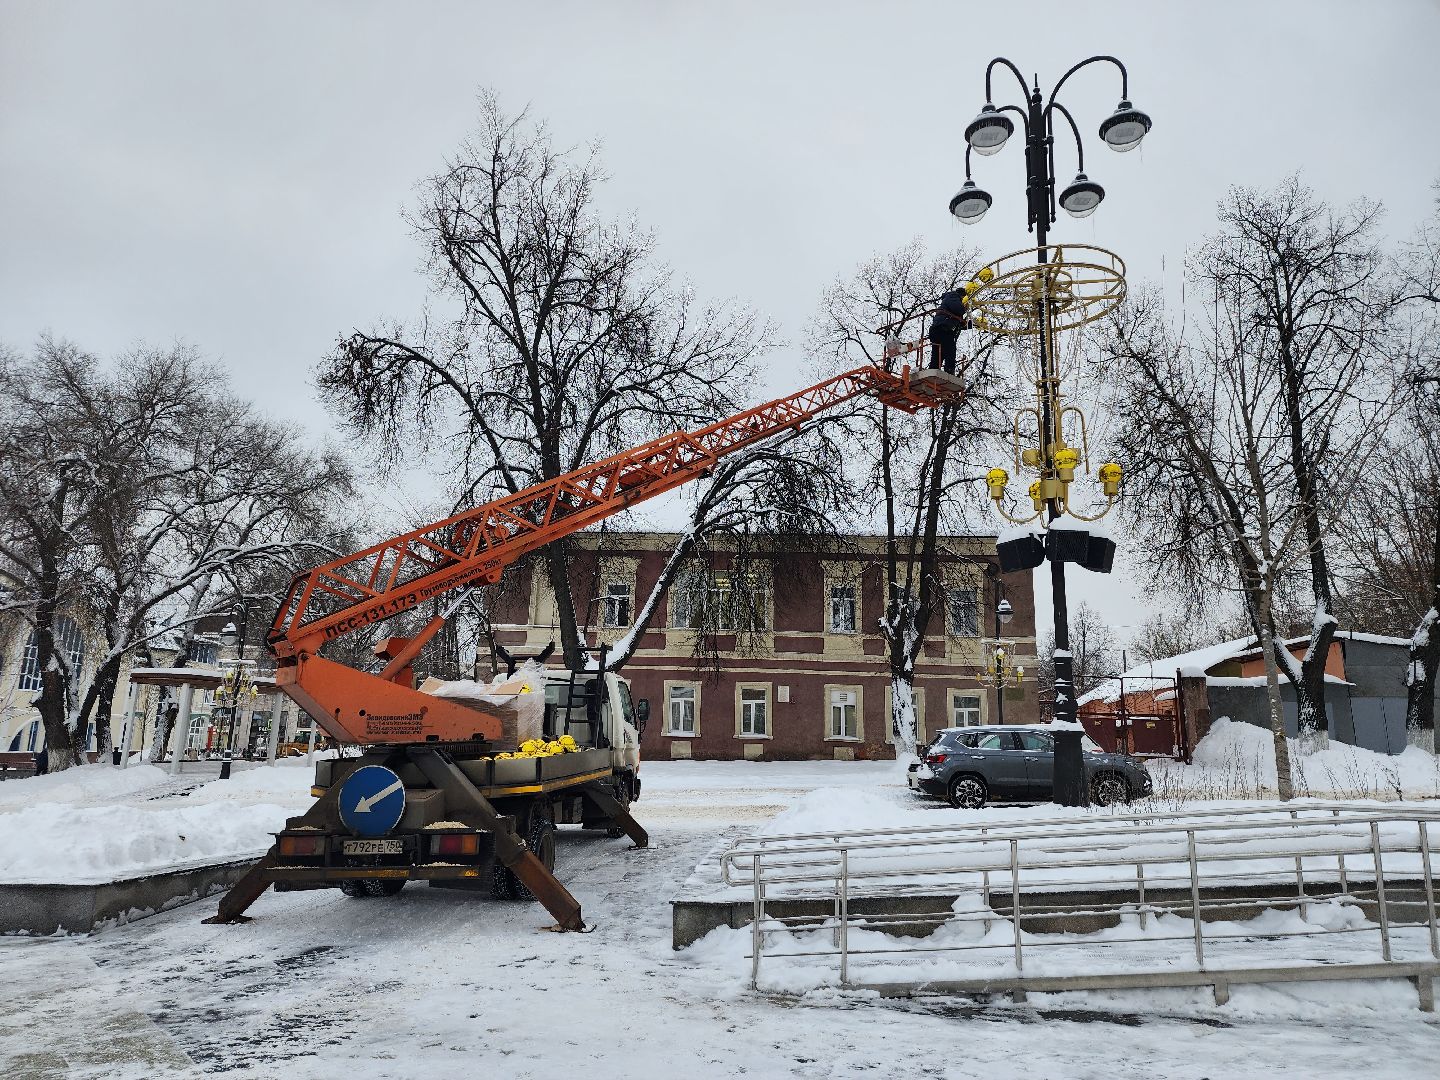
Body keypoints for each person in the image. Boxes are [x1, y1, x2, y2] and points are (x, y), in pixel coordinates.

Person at [926, 289, 968, 373]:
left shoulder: (949, 303)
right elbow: (959, 309)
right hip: (943, 329)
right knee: (950, 350)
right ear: (962, 296)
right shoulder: (953, 296)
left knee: (938, 352)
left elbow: (960, 324)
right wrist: (965, 307)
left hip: (938, 329)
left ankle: (933, 370)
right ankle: (949, 371)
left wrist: (971, 324)